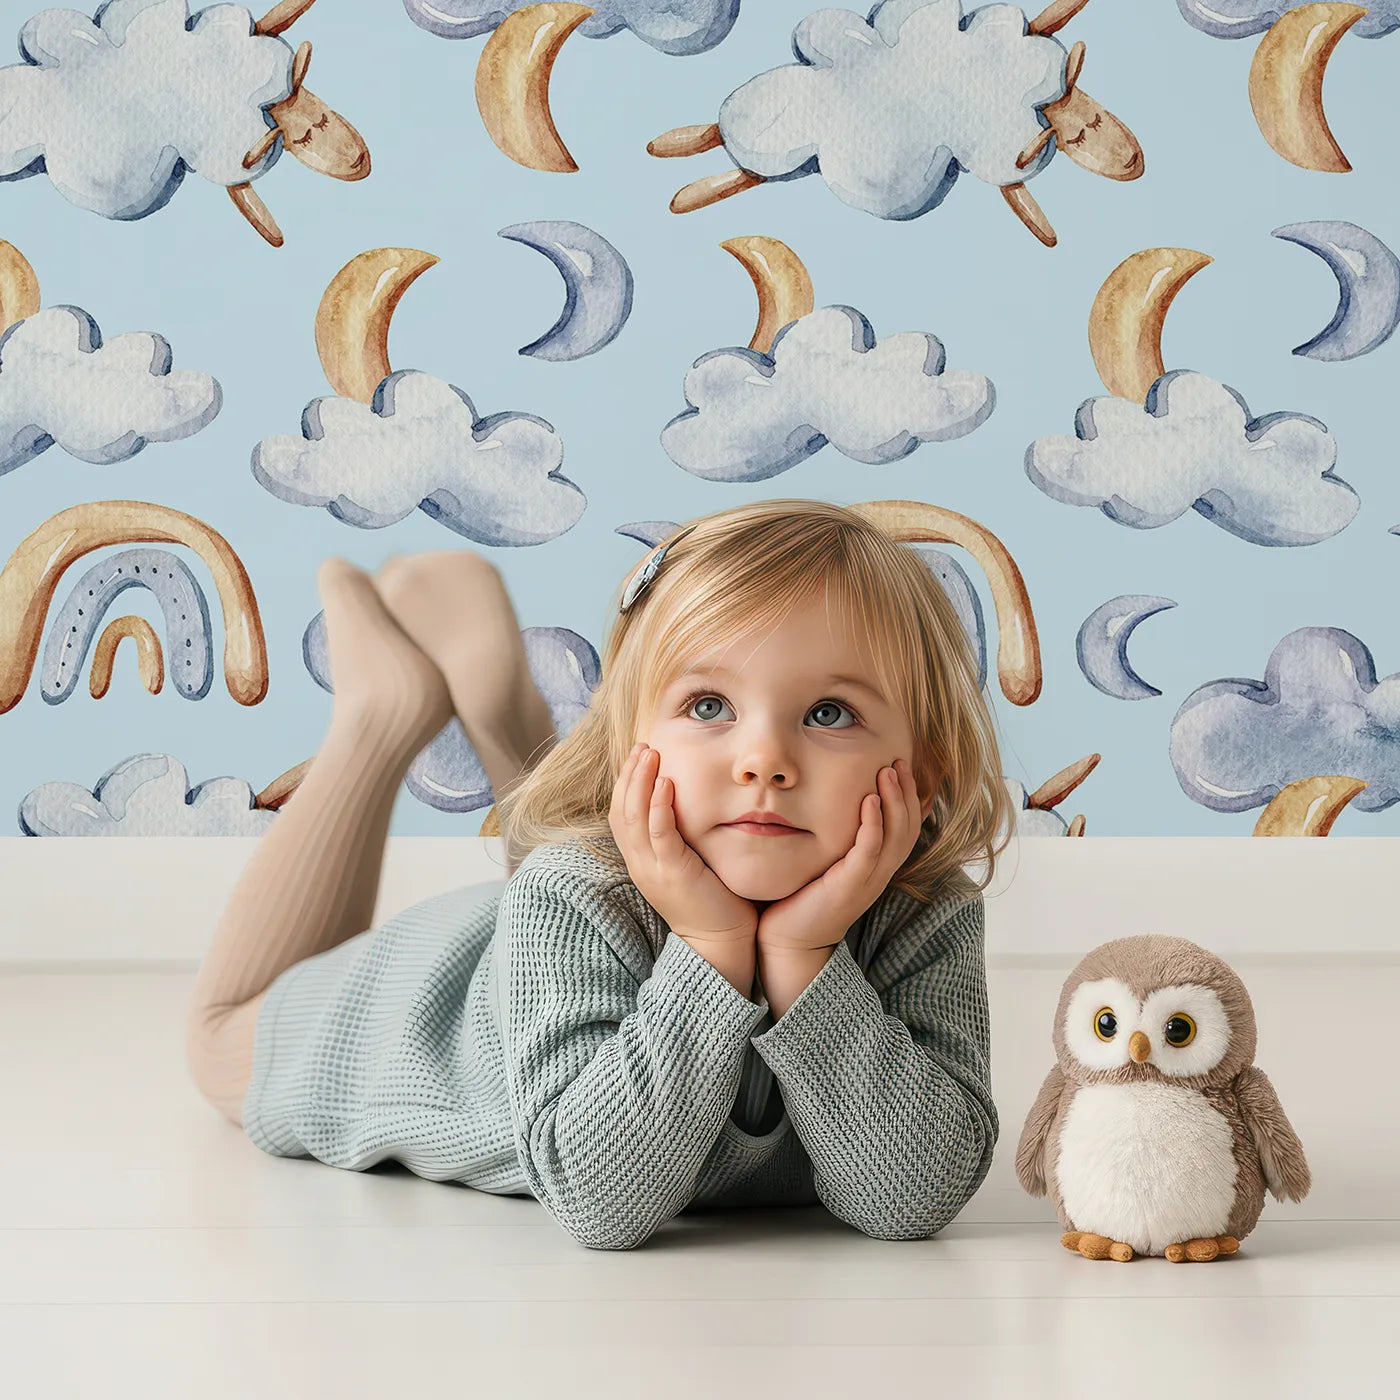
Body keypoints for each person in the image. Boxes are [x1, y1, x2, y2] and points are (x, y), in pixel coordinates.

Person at [184, 498, 1015, 1250]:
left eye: (829, 713)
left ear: (925, 769)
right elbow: (599, 1200)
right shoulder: (569, 894)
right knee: (218, 1035)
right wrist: (713, 945)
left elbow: (915, 1195)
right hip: (424, 1014)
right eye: (709, 707)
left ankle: (503, 709)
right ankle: (380, 713)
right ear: (629, 742)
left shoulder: (922, 907)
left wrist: (805, 956)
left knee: (575, 853)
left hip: (575, 931)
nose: (764, 760)